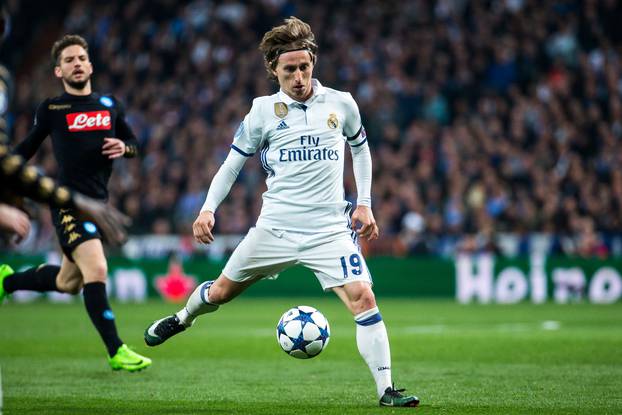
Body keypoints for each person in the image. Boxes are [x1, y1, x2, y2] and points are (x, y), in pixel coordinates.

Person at [144, 17, 419, 407]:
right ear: (274, 70)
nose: (299, 76)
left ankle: (386, 391)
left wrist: (365, 203)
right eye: (289, 69)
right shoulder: (261, 112)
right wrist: (208, 209)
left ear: (313, 64)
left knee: (364, 298)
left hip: (329, 229)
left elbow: (360, 149)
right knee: (221, 292)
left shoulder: (341, 103)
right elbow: (231, 164)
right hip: (274, 228)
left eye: (304, 67)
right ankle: (182, 319)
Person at [0, 34, 151, 372]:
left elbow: (136, 144)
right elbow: (25, 150)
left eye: (81, 58)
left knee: (69, 283)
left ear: (91, 65)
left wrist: (124, 148)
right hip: (69, 203)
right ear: (58, 71)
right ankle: (116, 350)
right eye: (69, 60)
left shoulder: (110, 105)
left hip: (100, 202)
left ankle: (6, 281)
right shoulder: (53, 109)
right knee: (97, 269)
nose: (77, 63)